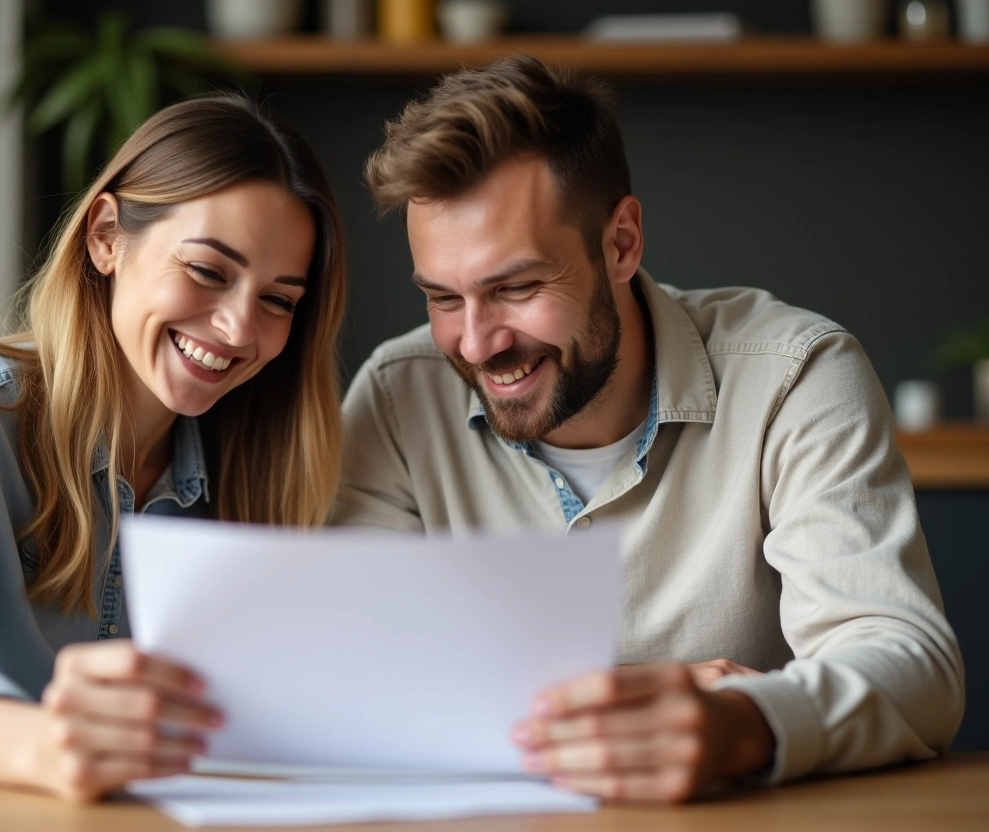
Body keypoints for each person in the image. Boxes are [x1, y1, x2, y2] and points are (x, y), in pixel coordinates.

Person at [334, 55, 964, 803]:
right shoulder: (397, 399)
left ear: (622, 243)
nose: (476, 345)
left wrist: (739, 728)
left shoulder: (795, 374)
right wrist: (635, 695)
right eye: (442, 298)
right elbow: (355, 678)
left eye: (518, 288)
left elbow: (910, 665)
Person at [0, 94, 346, 801]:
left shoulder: (259, 469)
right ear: (106, 236)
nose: (237, 329)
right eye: (208, 271)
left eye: (278, 301)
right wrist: (49, 743)